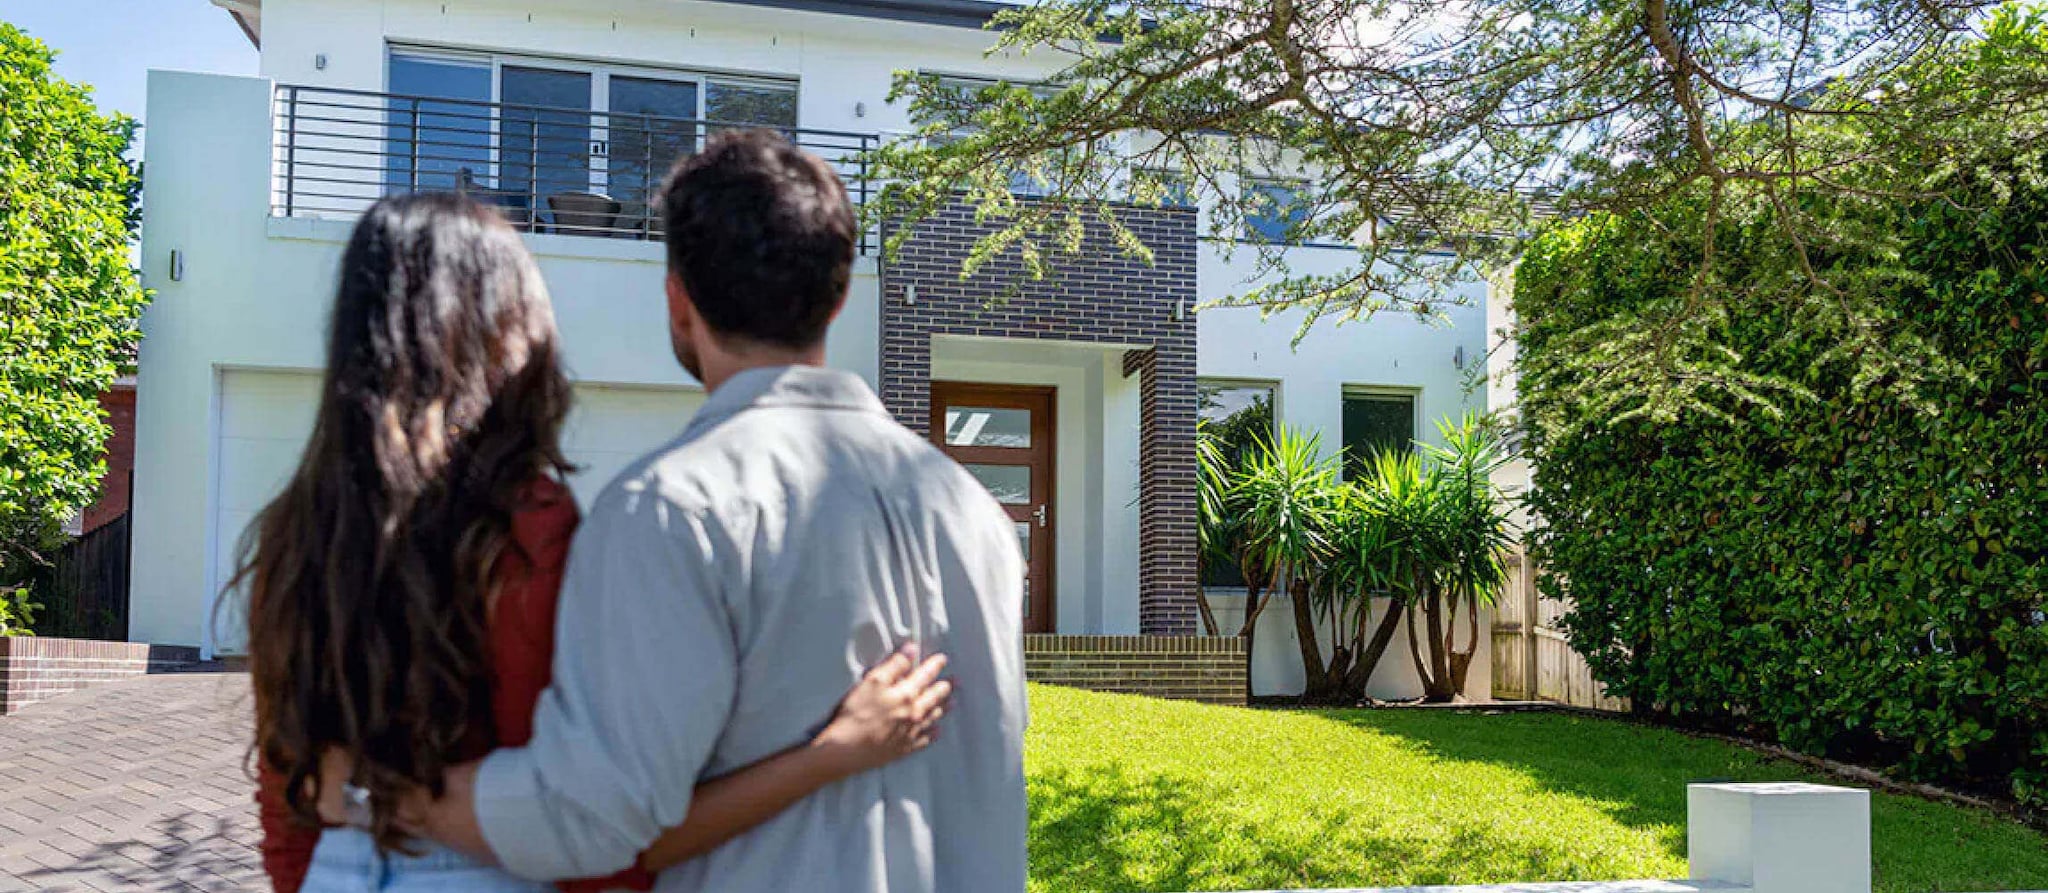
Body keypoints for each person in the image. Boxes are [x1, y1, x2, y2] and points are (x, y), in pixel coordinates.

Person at [241, 193, 955, 893]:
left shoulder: (297, 529)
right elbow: (587, 821)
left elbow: (286, 805)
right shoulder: (521, 527)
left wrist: (357, 807)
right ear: (507, 327)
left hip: (335, 866)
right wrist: (831, 753)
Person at [381, 129, 1031, 891]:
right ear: (839, 294)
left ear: (677, 301)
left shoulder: (669, 509)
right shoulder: (977, 512)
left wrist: (385, 792)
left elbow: (588, 814)